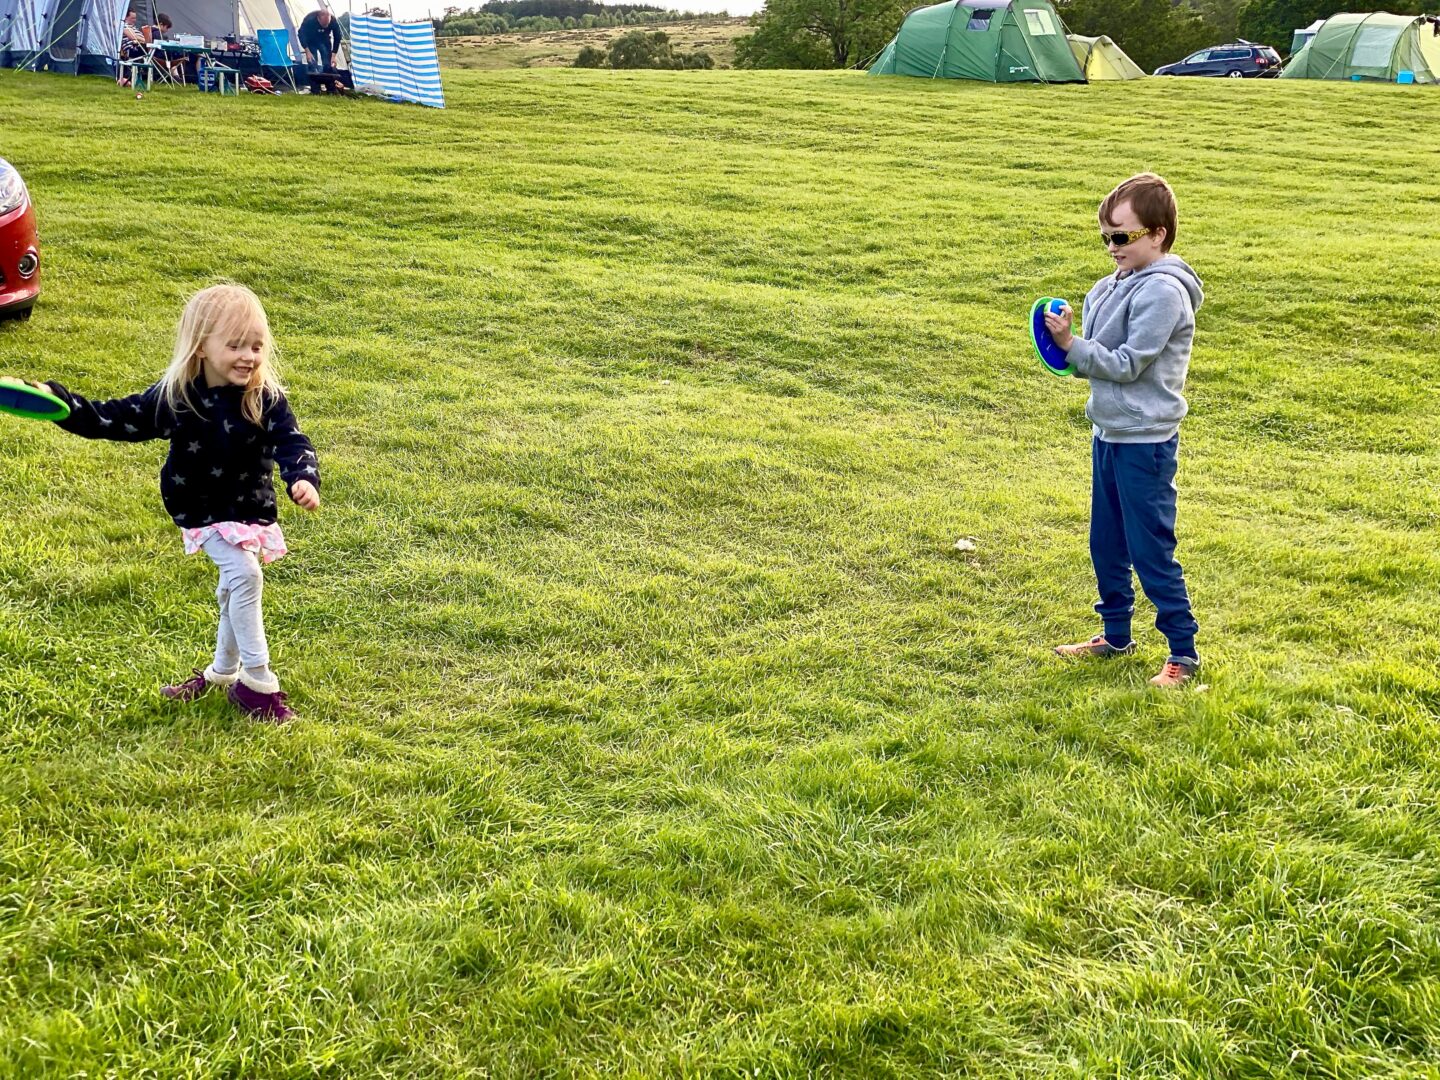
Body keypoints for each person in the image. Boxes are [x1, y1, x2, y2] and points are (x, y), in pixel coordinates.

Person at [22, 284, 320, 721]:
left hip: (250, 511)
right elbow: (118, 418)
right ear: (201, 346)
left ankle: (221, 673)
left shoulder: (265, 398)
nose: (248, 356)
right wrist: (64, 404)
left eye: (256, 346)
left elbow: (292, 442)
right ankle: (257, 684)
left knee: (235, 589)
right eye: (234, 345)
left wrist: (303, 477)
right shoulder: (178, 398)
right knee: (245, 576)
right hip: (201, 510)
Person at [1046, 173, 1205, 688]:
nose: (1112, 248)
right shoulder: (1108, 285)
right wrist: (1065, 335)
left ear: (1157, 234)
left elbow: (1128, 363)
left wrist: (1073, 346)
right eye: (1105, 237)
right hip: (1109, 433)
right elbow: (1094, 352)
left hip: (1147, 443)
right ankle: (1115, 635)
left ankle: (1183, 652)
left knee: (1149, 547)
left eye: (1122, 237)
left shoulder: (1164, 293)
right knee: (1106, 542)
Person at [298, 7, 343, 73]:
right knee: (312, 62)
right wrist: (307, 51)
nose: (326, 26)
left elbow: (337, 37)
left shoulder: (333, 21)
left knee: (328, 62)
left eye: (327, 24)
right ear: (318, 19)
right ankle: (314, 78)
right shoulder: (309, 19)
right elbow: (301, 34)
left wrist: (333, 56)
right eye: (324, 24)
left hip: (325, 40)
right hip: (311, 40)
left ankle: (328, 79)